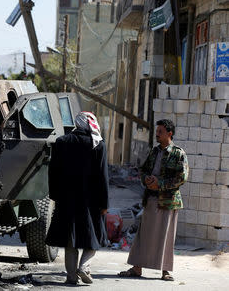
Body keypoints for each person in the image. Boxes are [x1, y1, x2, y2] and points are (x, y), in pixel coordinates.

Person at [118, 119, 188, 281]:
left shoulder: (178, 153)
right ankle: (137, 268)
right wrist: (147, 180)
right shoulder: (154, 152)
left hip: (169, 201)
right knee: (144, 235)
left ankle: (166, 271)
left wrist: (160, 184)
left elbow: (182, 177)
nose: (157, 134)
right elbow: (143, 170)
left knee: (166, 236)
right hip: (151, 198)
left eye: (160, 132)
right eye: (157, 131)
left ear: (169, 134)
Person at [46, 112, 109, 285]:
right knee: (94, 237)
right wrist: (104, 203)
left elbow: (53, 172)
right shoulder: (98, 144)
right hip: (91, 201)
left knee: (70, 238)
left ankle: (72, 276)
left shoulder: (61, 142)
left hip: (66, 199)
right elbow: (103, 177)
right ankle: (84, 266)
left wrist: (54, 195)